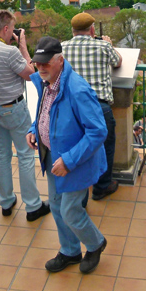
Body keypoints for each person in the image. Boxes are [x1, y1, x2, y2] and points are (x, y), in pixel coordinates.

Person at [26, 37, 108, 275]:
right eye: (38, 62)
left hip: (74, 162)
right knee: (56, 206)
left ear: (60, 60)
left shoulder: (77, 89)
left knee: (71, 210)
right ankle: (70, 250)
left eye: (46, 63)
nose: (41, 67)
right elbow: (45, 113)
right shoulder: (47, 81)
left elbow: (98, 131)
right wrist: (34, 130)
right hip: (53, 156)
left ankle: (95, 243)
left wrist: (69, 160)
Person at [0, 10, 50, 221]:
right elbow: (32, 74)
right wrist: (23, 46)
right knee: (25, 155)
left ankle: (6, 201)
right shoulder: (9, 52)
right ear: (6, 29)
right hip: (13, 109)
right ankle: (33, 206)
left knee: (3, 154)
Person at [62, 12, 123, 201]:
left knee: (77, 145)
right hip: (99, 106)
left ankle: (81, 189)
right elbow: (118, 61)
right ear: (92, 29)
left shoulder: (62, 47)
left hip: (72, 108)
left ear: (72, 31)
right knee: (105, 146)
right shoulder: (103, 46)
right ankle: (102, 186)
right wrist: (109, 44)